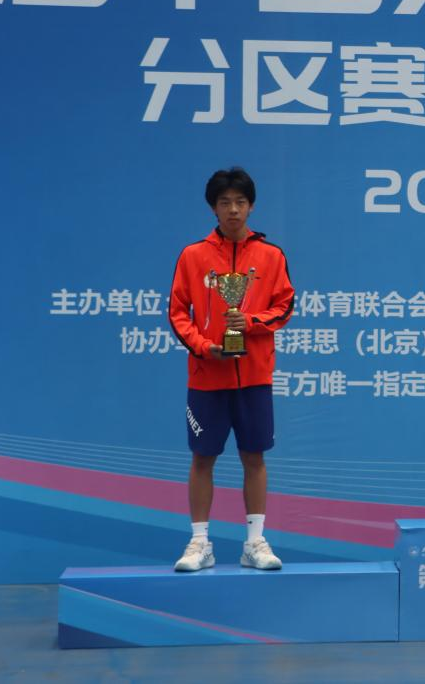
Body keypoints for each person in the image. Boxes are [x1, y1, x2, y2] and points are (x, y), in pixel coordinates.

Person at [168, 167, 295, 571]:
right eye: (225, 203)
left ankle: (254, 543)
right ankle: (199, 543)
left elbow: (285, 306)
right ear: (214, 208)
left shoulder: (271, 256)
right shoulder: (193, 256)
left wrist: (251, 322)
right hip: (207, 375)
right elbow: (177, 312)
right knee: (202, 458)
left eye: (240, 202)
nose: (233, 210)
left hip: (254, 374)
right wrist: (205, 347)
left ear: (251, 206)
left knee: (254, 456)